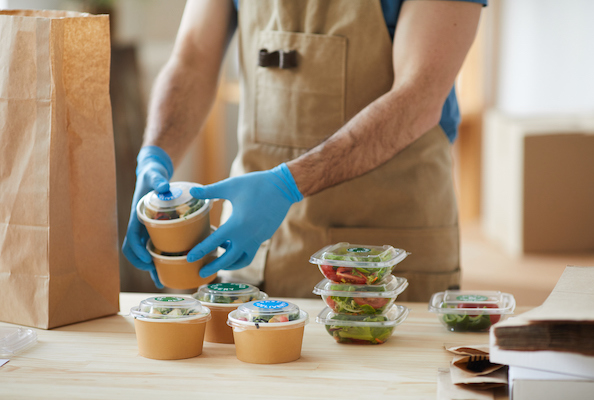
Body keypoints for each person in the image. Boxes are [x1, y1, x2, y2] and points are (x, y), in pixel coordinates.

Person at [122, 0, 486, 301]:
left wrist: (287, 184)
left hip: (383, 259)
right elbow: (192, 57)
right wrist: (155, 155)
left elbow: (418, 97)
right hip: (259, 251)